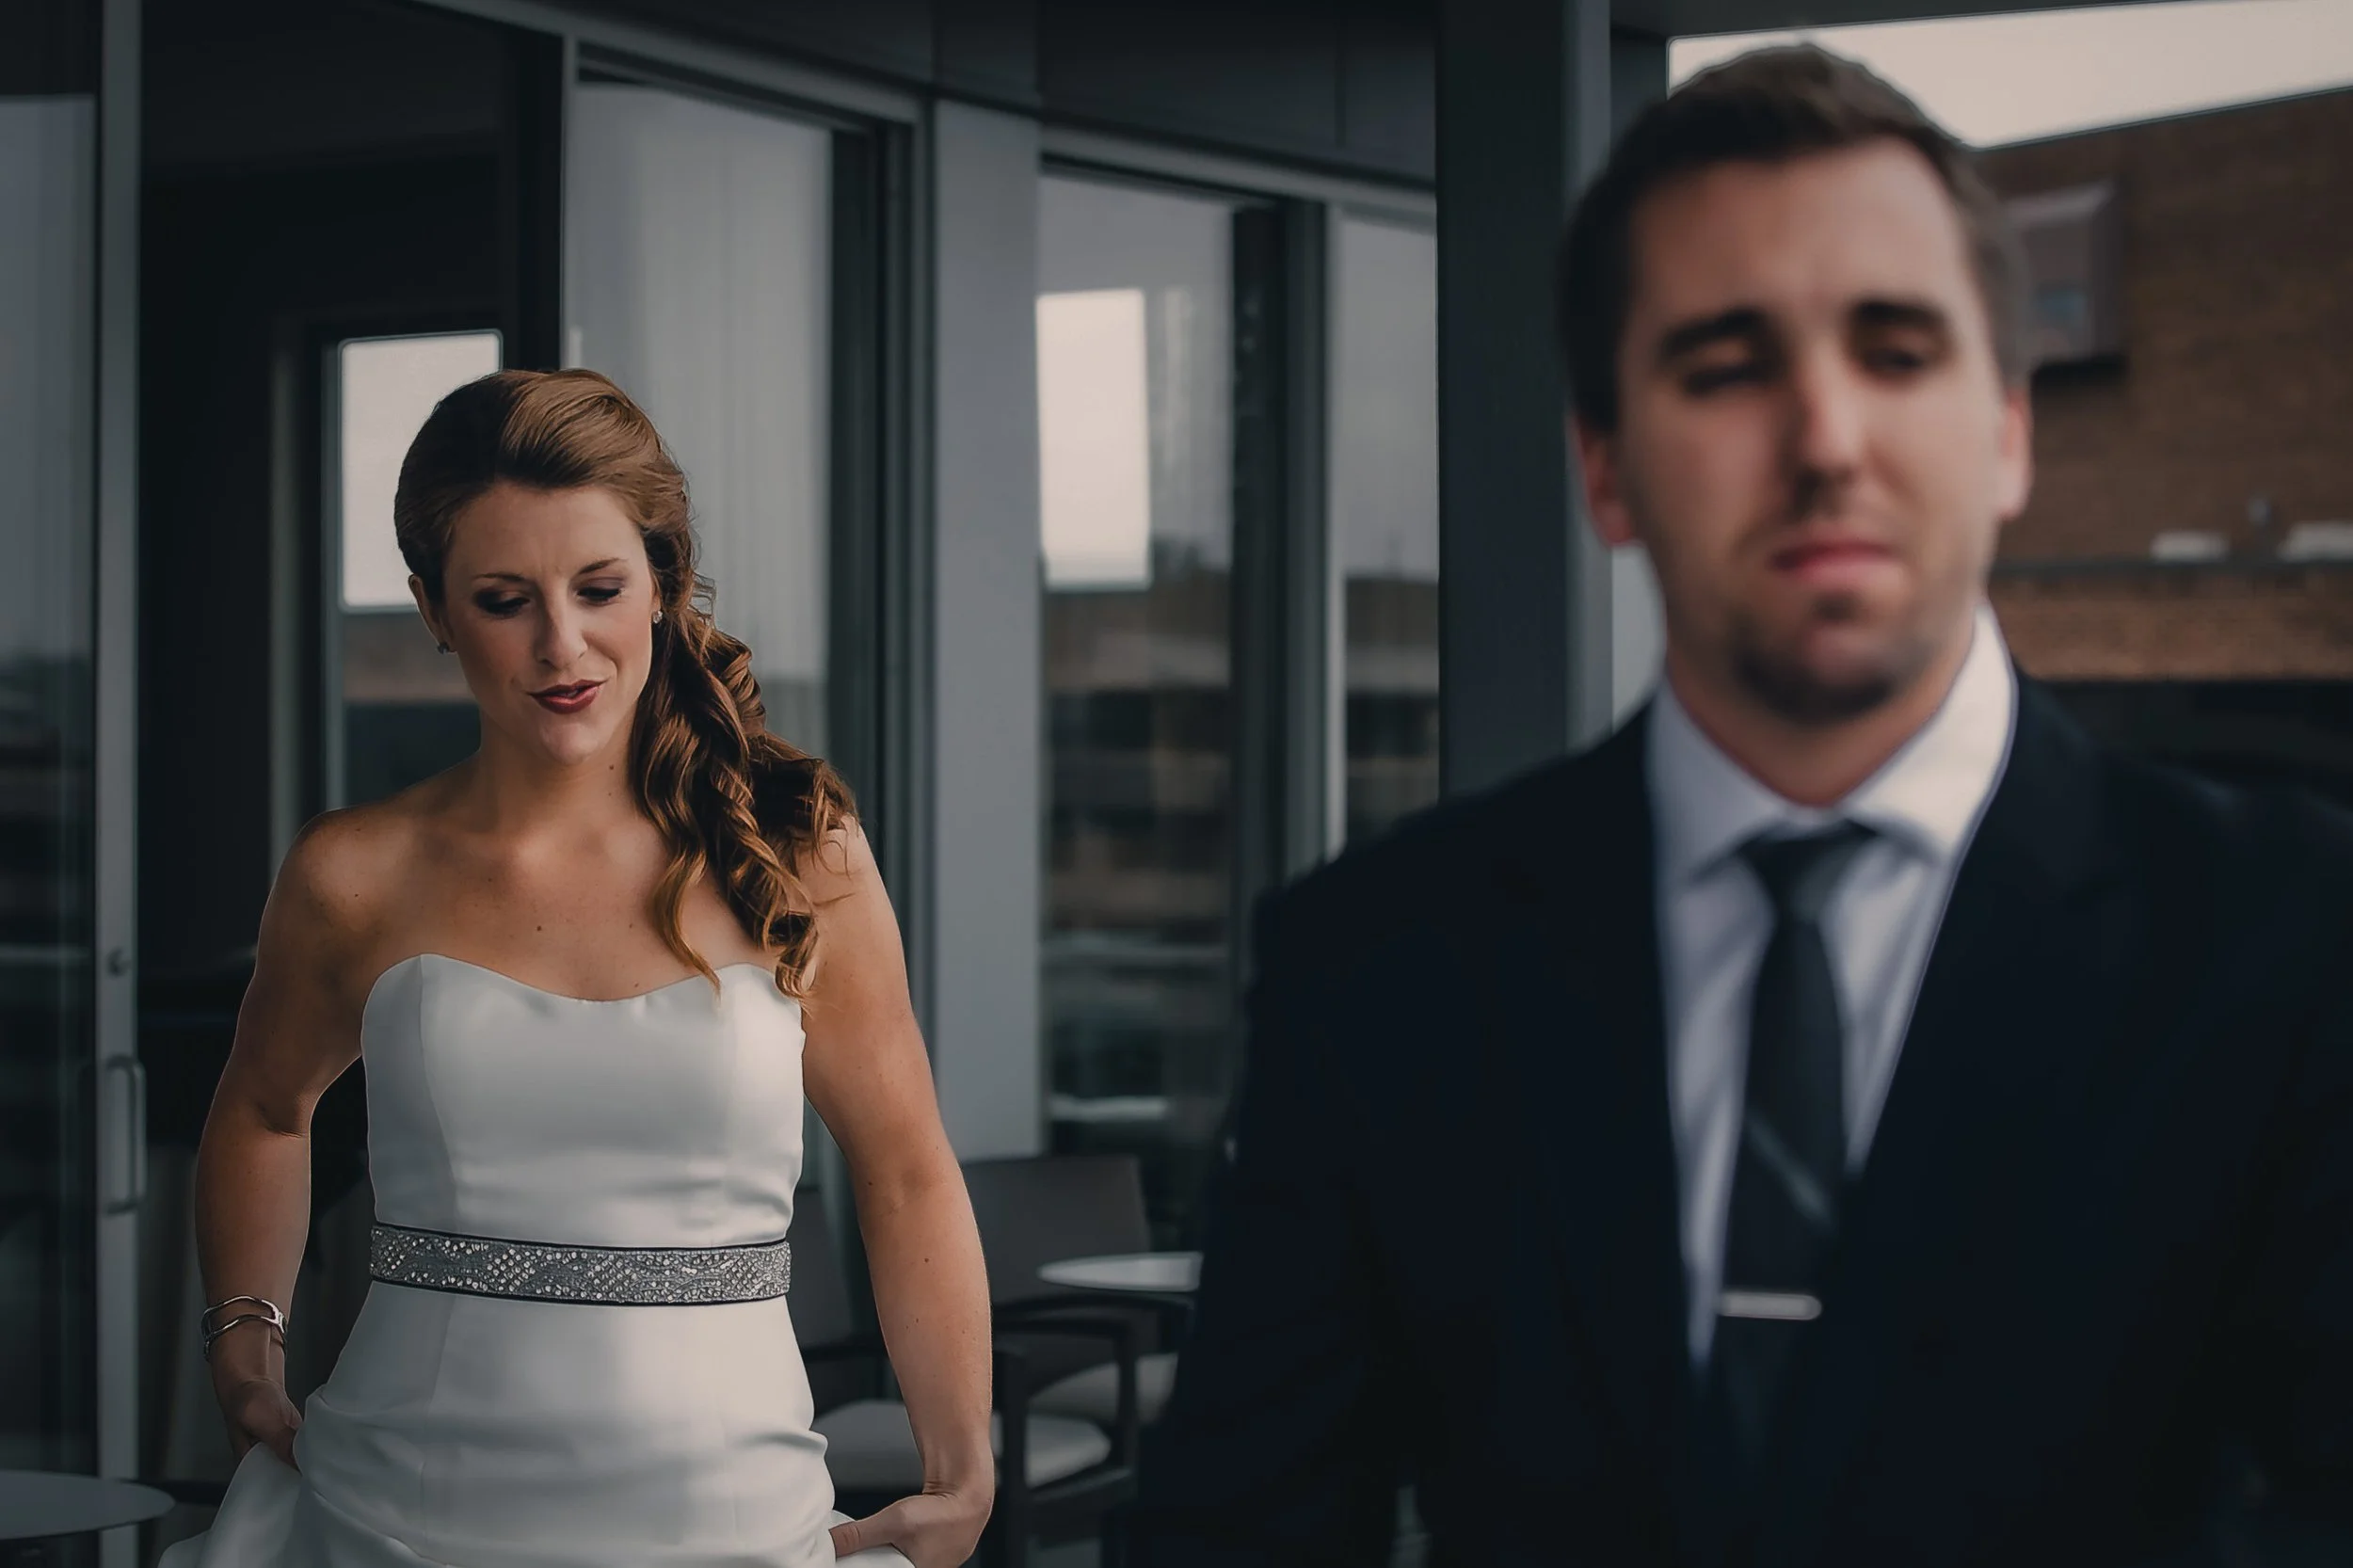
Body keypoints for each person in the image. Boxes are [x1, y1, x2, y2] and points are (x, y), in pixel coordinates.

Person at [1128, 45, 2353, 1568]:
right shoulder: (1380, 968)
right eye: (1725, 366)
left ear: (2010, 432)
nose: (1825, 439)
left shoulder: (2296, 945)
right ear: (1604, 467)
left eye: (1895, 352)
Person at [165, 369, 991, 1568]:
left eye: (598, 588)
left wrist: (961, 1462)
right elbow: (261, 1110)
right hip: (395, 1513)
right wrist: (244, 1349)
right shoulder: (356, 874)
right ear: (433, 609)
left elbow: (905, 1166)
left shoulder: (798, 855)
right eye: (504, 601)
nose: (562, 646)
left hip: (731, 1519)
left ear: (661, 580)